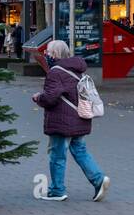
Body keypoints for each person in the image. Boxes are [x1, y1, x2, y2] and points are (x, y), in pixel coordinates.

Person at [32, 39, 109, 202]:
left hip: (62, 120)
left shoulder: (55, 72)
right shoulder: (76, 68)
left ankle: (57, 190)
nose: (46, 55)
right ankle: (99, 179)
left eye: (48, 52)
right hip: (79, 117)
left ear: (55, 54)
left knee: (57, 155)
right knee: (80, 151)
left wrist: (39, 98)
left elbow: (51, 97)